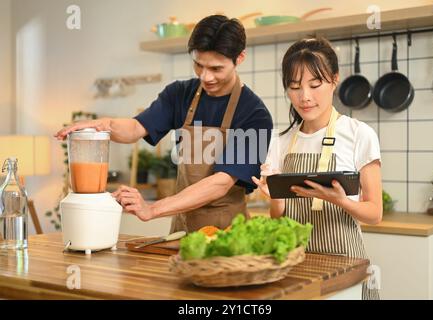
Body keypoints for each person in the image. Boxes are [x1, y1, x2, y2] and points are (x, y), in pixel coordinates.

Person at [55, 15, 273, 233]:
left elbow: (221, 183)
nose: (205, 77)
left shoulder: (255, 115)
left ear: (240, 58)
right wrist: (101, 125)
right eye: (198, 65)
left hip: (228, 236)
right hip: (181, 230)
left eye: (216, 69)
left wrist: (152, 209)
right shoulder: (180, 94)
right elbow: (134, 129)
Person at [251, 38, 382, 300]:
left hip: (344, 267)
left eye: (315, 84)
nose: (305, 97)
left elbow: (374, 213)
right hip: (293, 269)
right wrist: (274, 198)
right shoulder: (280, 141)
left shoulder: (359, 134)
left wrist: (341, 201)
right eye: (294, 87)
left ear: (334, 80)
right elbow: (278, 220)